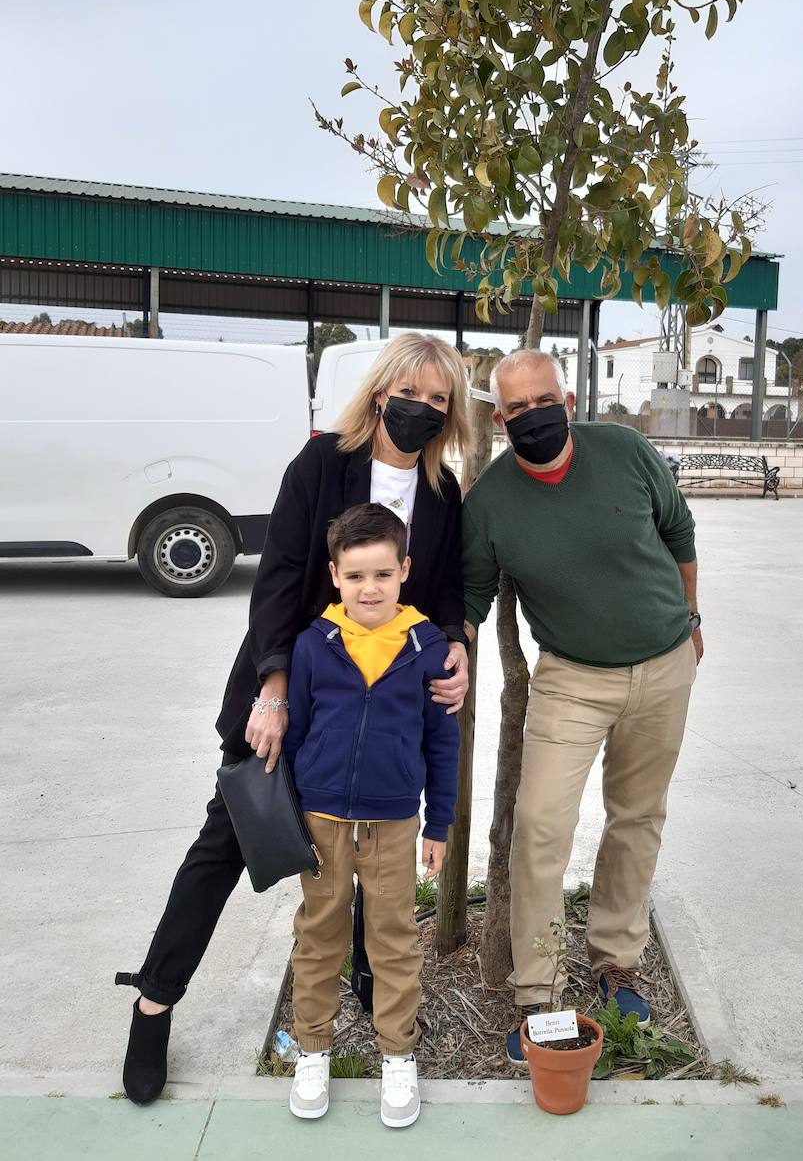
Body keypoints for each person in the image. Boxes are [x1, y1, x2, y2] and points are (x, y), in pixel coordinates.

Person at [117, 333, 471, 1105]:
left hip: (385, 703)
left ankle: (373, 1010)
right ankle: (153, 1002)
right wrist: (272, 688)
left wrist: (459, 643)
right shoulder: (321, 464)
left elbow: (448, 591)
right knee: (227, 841)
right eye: (410, 392)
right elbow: (278, 575)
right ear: (381, 393)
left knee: (367, 856)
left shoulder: (443, 493)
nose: (422, 408)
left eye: (439, 400)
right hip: (292, 692)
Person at [461, 349, 703, 1064]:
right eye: (518, 409)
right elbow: (471, 597)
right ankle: (537, 992)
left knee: (637, 817)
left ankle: (615, 960)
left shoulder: (623, 449)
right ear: (500, 419)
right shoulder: (491, 501)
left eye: (546, 401)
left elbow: (678, 531)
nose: (534, 416)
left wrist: (691, 619)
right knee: (538, 824)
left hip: (664, 666)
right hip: (570, 677)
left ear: (567, 401)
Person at [283, 503, 457, 1127]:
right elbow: (297, 731)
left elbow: (442, 741)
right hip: (323, 821)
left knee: (393, 939)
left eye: (383, 574)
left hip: (394, 823)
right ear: (334, 575)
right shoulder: (313, 645)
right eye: (355, 577)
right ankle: (312, 1049)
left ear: (405, 570)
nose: (370, 589)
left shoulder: (428, 646)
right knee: (319, 934)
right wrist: (292, 815)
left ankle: (398, 1056)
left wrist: (439, 824)